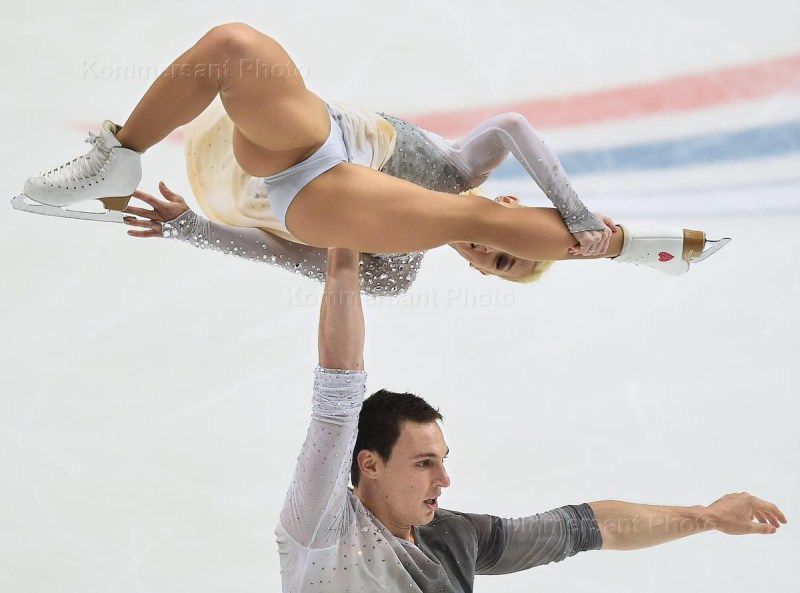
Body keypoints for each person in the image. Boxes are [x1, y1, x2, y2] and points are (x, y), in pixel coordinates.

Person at [16, 23, 727, 280]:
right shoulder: (464, 169)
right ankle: (118, 152)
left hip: (295, 191)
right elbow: (512, 123)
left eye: (498, 266)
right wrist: (571, 208)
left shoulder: (398, 270)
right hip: (316, 133)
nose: (490, 257)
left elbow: (289, 258)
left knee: (462, 217)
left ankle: (628, 247)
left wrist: (191, 230)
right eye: (508, 248)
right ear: (515, 196)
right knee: (233, 47)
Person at [280, 246, 786, 592]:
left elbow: (588, 527)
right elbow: (337, 395)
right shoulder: (325, 523)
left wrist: (707, 517)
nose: (444, 479)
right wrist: (342, 253)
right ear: (368, 464)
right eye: (423, 464)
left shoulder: (453, 538)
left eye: (442, 461)